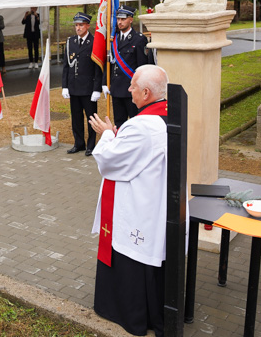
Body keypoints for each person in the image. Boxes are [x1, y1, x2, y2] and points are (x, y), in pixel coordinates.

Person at [87, 64, 171, 337]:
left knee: (131, 254)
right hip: (152, 197)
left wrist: (108, 134)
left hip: (138, 205)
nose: (128, 89)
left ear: (146, 92)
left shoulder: (143, 127)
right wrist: (117, 133)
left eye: (133, 85)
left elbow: (110, 161)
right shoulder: (167, 114)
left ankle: (130, 316)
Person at [61, 12, 102, 155]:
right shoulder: (70, 41)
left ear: (87, 26)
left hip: (88, 88)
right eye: (76, 25)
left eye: (81, 25)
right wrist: (65, 86)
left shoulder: (95, 42)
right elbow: (66, 66)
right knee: (76, 117)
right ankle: (79, 143)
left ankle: (91, 145)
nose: (78, 28)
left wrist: (97, 89)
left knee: (91, 118)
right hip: (74, 87)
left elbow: (98, 68)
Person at [102, 6, 149, 128]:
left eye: (123, 19)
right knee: (119, 123)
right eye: (118, 19)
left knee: (135, 123)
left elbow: (142, 67)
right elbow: (109, 62)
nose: (119, 22)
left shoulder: (138, 39)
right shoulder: (113, 39)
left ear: (131, 20)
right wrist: (105, 82)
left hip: (132, 90)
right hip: (116, 88)